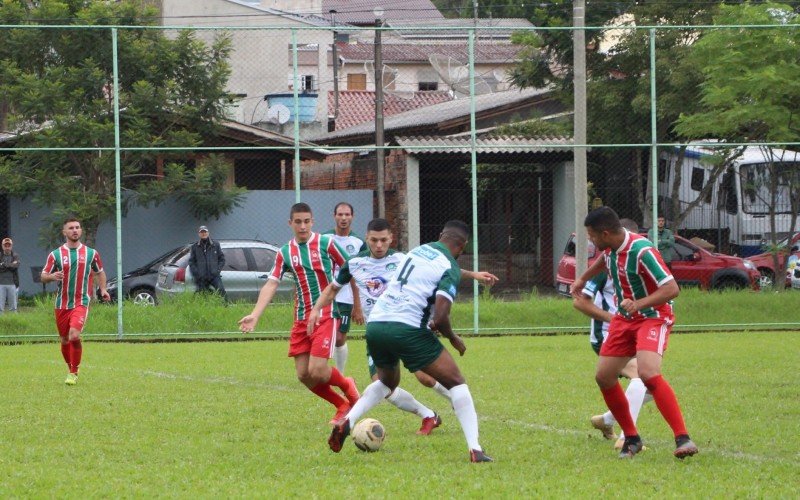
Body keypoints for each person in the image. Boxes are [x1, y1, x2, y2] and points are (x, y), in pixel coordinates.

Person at [309, 218, 498, 436]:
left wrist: (473, 275)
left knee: (426, 378)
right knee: (383, 386)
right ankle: (428, 414)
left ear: (391, 239)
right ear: (366, 239)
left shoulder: (402, 258)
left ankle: (456, 400)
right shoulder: (354, 263)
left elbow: (439, 266)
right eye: (373, 240)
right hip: (379, 330)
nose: (379, 245)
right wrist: (316, 309)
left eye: (383, 240)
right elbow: (332, 289)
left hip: (408, 326)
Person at [570, 207, 698, 459]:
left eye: (592, 236)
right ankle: (631, 438)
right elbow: (602, 261)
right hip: (625, 319)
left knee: (648, 373)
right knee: (604, 376)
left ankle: (683, 438)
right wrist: (583, 278)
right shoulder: (611, 248)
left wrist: (638, 304)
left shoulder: (642, 251)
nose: (591, 241)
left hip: (652, 316)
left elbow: (672, 289)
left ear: (605, 233)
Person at [238, 203, 360, 424]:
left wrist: (358, 305)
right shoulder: (285, 252)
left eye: (306, 221)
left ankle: (347, 385)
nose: (302, 226)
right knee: (304, 375)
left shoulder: (326, 243)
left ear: (312, 221)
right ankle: (341, 404)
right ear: (290, 223)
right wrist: (255, 314)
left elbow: (352, 269)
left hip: (326, 313)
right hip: (301, 319)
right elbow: (271, 284)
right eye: (298, 222)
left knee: (318, 370)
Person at [573, 219, 653, 450]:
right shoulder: (609, 263)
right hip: (608, 335)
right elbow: (580, 303)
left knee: (652, 385)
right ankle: (627, 437)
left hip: (633, 332)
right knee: (642, 377)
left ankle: (606, 420)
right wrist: (614, 320)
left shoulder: (637, 261)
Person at [40, 218, 111, 385]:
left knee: (74, 335)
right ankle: (70, 366)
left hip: (81, 301)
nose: (75, 230)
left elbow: (100, 272)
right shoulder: (55, 254)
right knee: (64, 340)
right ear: (64, 232)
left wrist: (103, 290)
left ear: (81, 231)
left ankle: (73, 372)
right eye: (71, 228)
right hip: (62, 304)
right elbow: (43, 276)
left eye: (77, 227)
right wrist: (52, 276)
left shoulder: (91, 253)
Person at [324, 202, 367, 374]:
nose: (343, 218)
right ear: (334, 216)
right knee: (326, 334)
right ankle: (318, 368)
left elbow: (358, 275)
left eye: (347, 214)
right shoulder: (325, 239)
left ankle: (340, 374)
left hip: (347, 297)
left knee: (340, 338)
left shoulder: (358, 243)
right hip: (327, 294)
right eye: (340, 214)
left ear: (352, 216)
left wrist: (358, 306)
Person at [188, 225, 226, 299]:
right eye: (201, 232)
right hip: (201, 277)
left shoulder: (215, 245)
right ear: (199, 234)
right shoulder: (195, 247)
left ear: (208, 233)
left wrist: (217, 270)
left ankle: (226, 307)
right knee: (203, 295)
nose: (203, 234)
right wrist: (197, 274)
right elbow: (191, 262)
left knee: (221, 291)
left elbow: (222, 259)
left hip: (214, 276)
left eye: (205, 232)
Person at [0, 237, 20, 313]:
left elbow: (16, 266)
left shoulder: (15, 256)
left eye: (9, 245)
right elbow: (12, 266)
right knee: (0, 308)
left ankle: (14, 322)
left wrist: (3, 264)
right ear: (2, 246)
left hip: (13, 284)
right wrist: (11, 265)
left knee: (13, 308)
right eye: (5, 245)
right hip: (0, 284)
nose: (7, 247)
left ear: (11, 246)